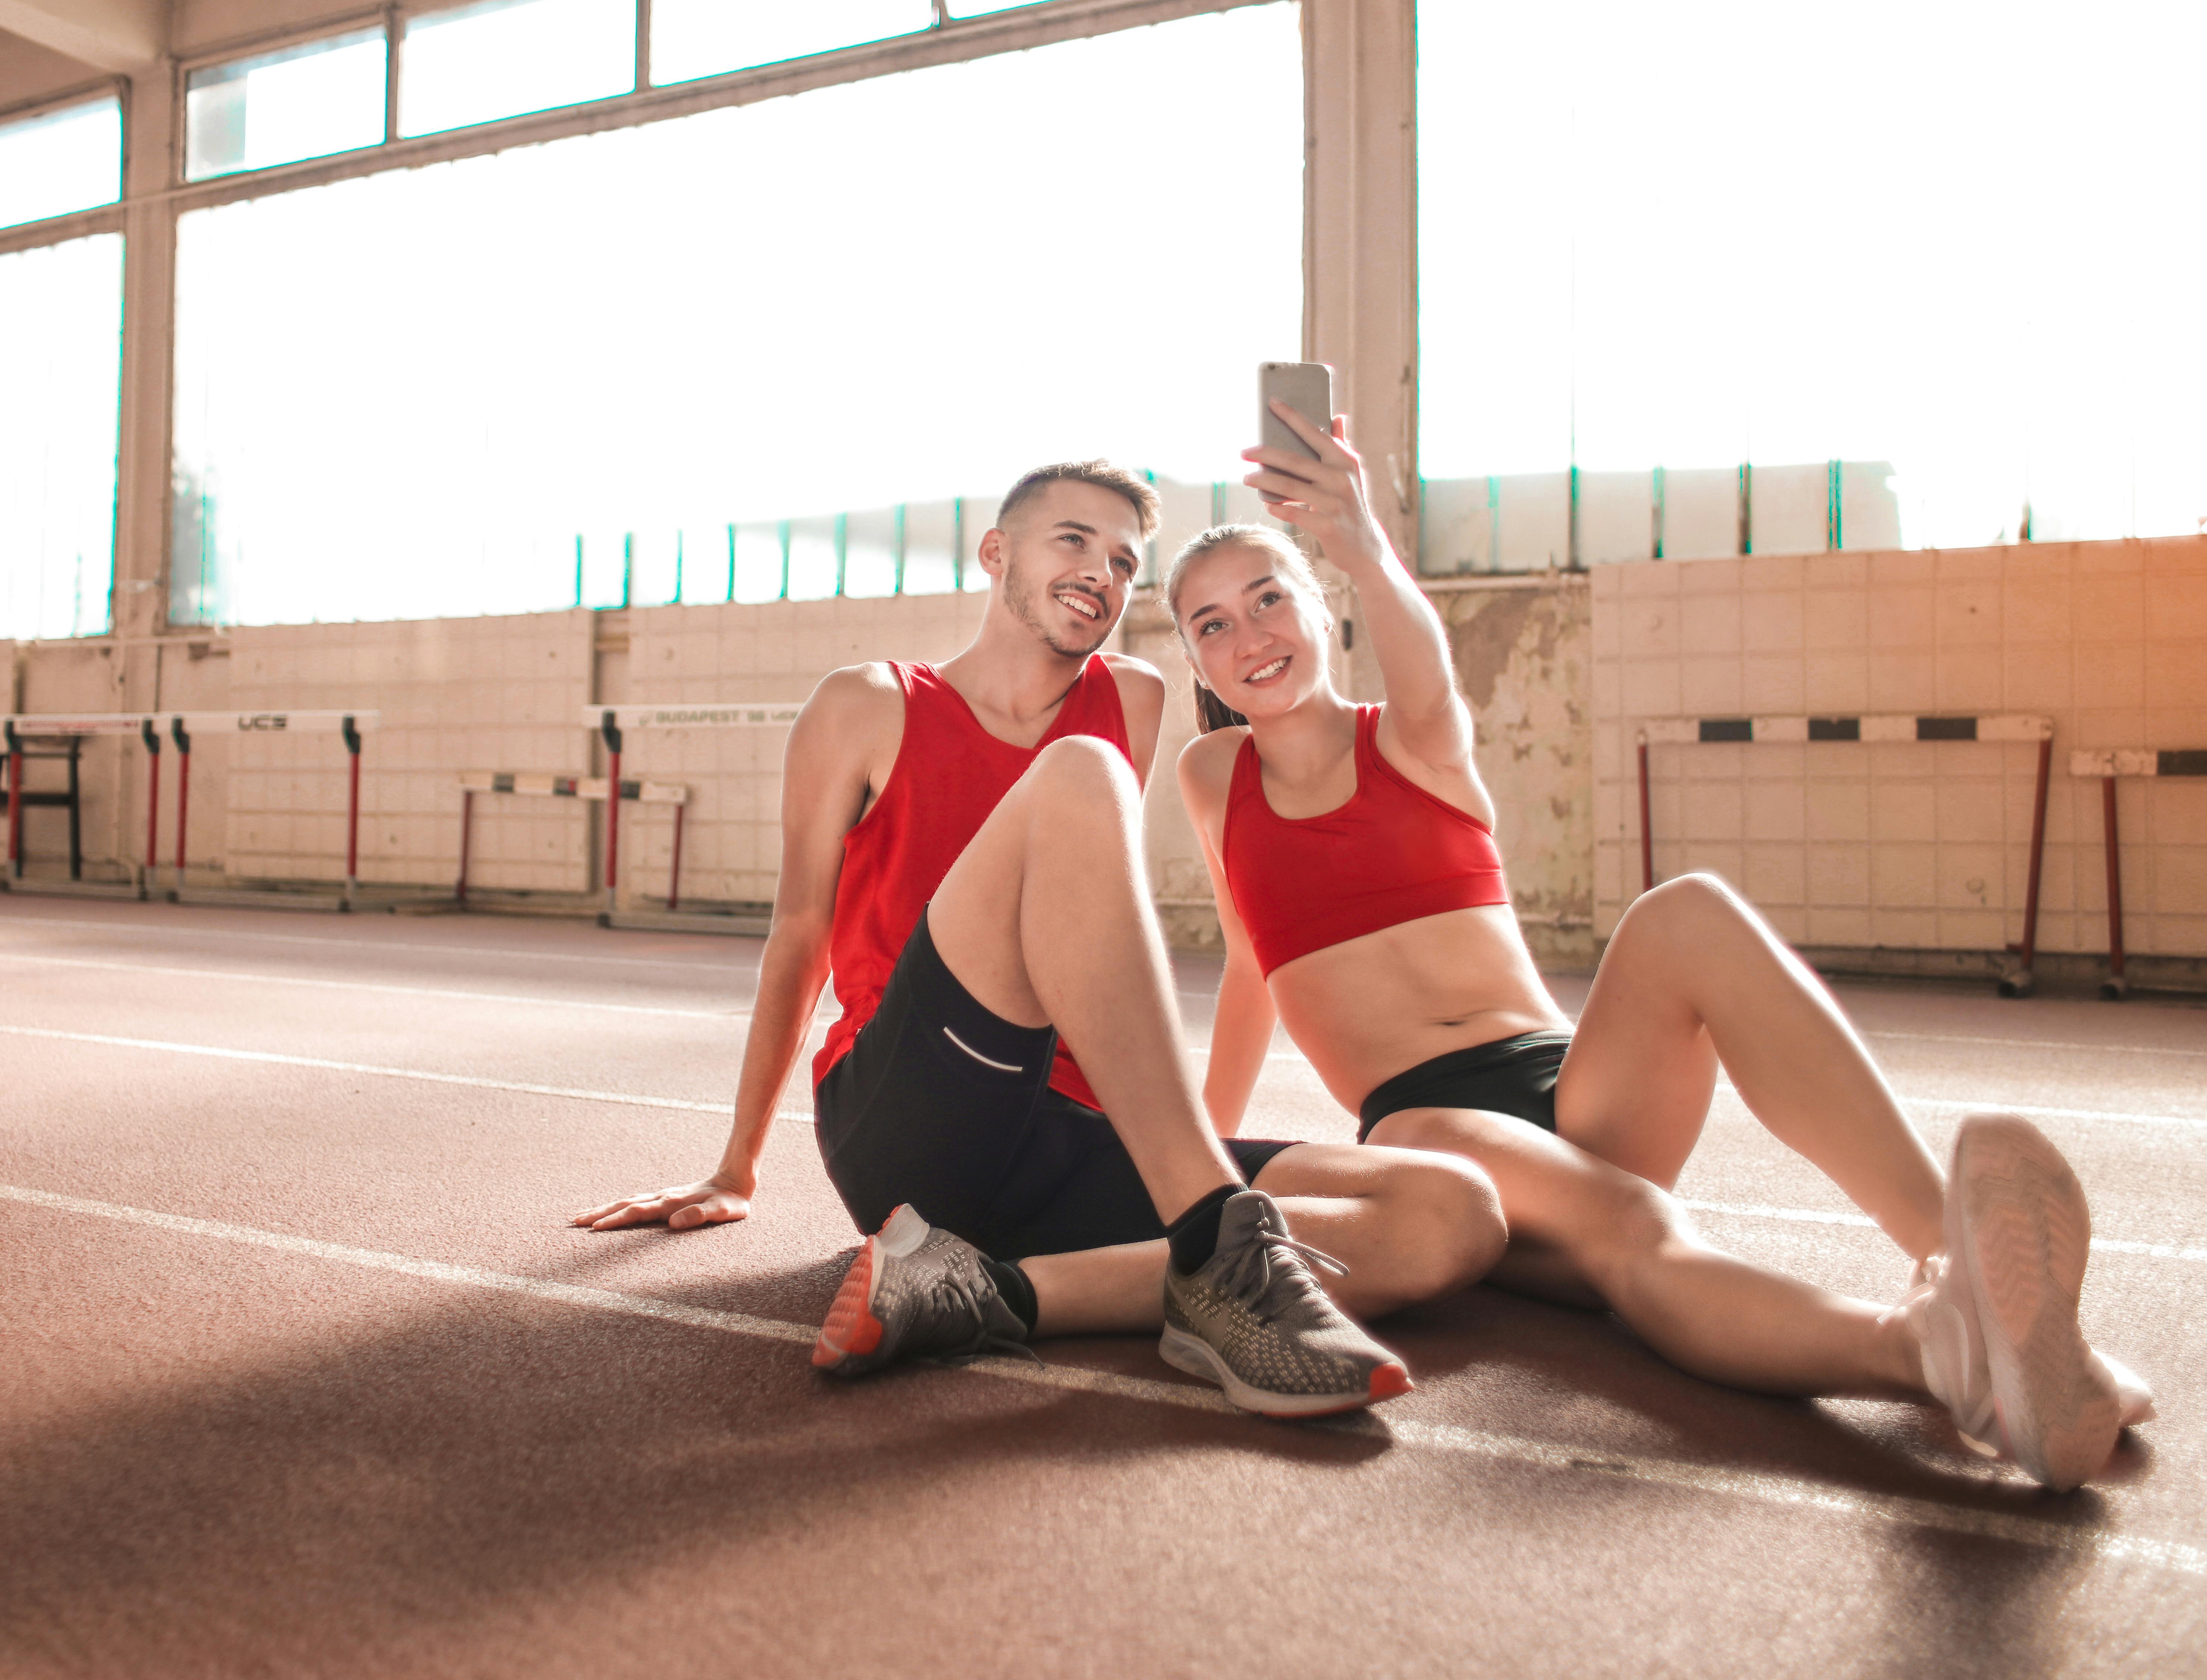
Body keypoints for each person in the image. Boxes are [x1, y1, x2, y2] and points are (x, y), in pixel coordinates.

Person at [1163, 404, 2154, 1489]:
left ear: (1325, 613)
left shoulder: (1413, 739)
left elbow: (1427, 664)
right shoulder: (1213, 782)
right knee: (1636, 1222)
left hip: (1571, 1079)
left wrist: (1360, 537)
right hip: (1430, 1119)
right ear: (1198, 664)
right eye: (1212, 624)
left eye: (1271, 599)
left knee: (1687, 909)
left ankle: (1964, 1274)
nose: (1249, 636)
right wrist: (1199, 1160)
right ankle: (1940, 1358)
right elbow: (1258, 958)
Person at [572, 460, 1506, 1417]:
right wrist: (738, 1165)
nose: (1101, 571)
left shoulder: (1135, 699)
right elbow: (801, 935)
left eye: (1122, 559)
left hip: (1062, 1144)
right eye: (1074, 540)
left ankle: (987, 1295)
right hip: (908, 1121)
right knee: (1078, 777)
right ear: (995, 552)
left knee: (1454, 1212)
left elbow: (1085, 921)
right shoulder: (866, 705)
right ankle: (1218, 1239)